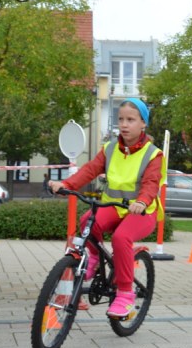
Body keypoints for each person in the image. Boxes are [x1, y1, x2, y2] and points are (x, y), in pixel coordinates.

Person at [49, 98, 164, 318]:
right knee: (87, 221)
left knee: (121, 238)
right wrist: (66, 184)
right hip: (114, 206)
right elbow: (89, 170)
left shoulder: (153, 154)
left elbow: (151, 183)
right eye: (121, 119)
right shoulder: (110, 149)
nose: (124, 124)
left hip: (142, 211)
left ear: (143, 123)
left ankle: (125, 294)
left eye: (130, 120)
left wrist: (142, 202)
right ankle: (93, 258)